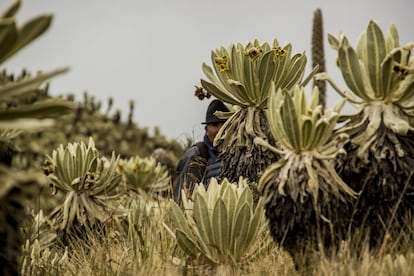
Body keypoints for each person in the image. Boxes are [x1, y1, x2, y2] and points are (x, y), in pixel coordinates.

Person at [173, 99, 229, 203]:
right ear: (206, 129)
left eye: (225, 125)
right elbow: (182, 196)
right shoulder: (196, 154)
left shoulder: (236, 155)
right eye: (215, 125)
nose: (220, 130)